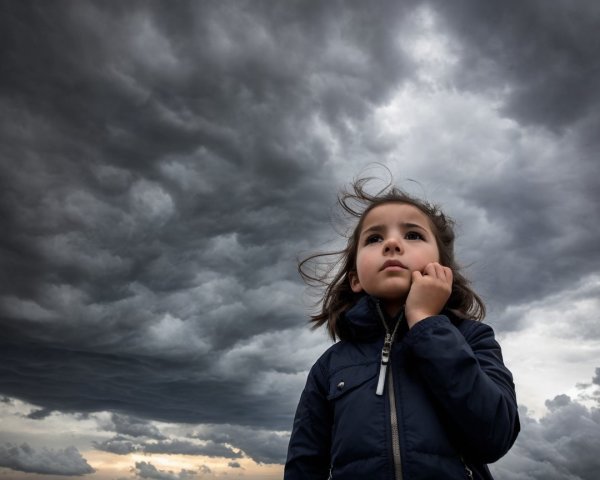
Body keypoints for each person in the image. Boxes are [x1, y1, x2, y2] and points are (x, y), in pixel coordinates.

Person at [284, 176, 520, 480]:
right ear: (355, 278)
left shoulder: (473, 338)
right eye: (373, 239)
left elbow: (495, 436)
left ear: (442, 268)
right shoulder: (329, 366)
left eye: (412, 235)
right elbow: (304, 462)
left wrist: (426, 321)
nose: (392, 243)